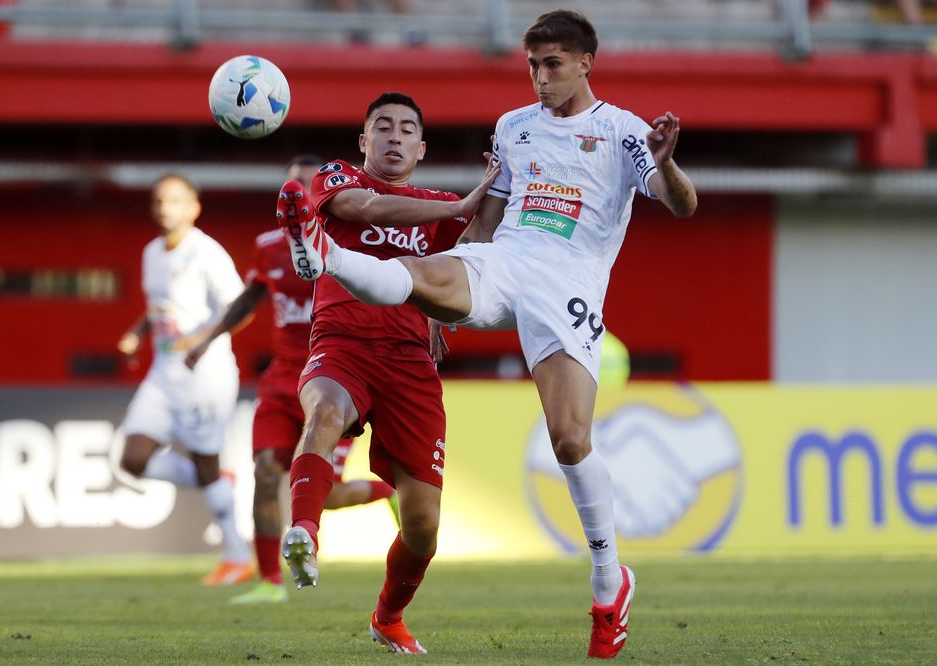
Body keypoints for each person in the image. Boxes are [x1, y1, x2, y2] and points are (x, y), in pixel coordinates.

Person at [277, 10, 697, 659]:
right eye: (532, 65)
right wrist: (445, 295)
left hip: (570, 283)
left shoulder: (624, 132)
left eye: (552, 64)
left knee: (570, 437)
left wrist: (666, 168)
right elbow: (486, 218)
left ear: (586, 62)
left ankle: (611, 580)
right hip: (504, 261)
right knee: (414, 273)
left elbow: (683, 204)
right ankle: (323, 255)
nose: (540, 78)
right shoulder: (514, 127)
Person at [275, 91, 498, 654]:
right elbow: (364, 209)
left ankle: (387, 617)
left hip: (409, 364)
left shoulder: (437, 204)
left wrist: (498, 185)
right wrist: (456, 208)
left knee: (423, 525)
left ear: (421, 148)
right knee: (324, 411)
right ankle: (303, 532)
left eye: (406, 130)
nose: (394, 137)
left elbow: (473, 252)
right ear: (363, 140)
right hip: (343, 343)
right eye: (383, 127)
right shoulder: (336, 178)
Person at [184, 155, 400, 604]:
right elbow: (249, 299)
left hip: (333, 380)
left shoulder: (350, 244)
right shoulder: (269, 245)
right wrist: (207, 340)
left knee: (330, 496)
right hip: (282, 379)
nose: (298, 195)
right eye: (291, 188)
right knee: (265, 473)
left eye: (307, 186)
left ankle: (386, 492)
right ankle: (269, 584)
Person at [117, 174, 253, 585]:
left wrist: (199, 340)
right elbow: (160, 306)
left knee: (205, 460)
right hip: (162, 376)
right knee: (132, 460)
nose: (164, 207)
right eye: (159, 200)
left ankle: (236, 555)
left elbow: (241, 309)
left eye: (174, 200)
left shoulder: (207, 253)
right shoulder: (151, 253)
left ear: (194, 207)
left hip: (204, 375)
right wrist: (137, 333)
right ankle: (211, 479)